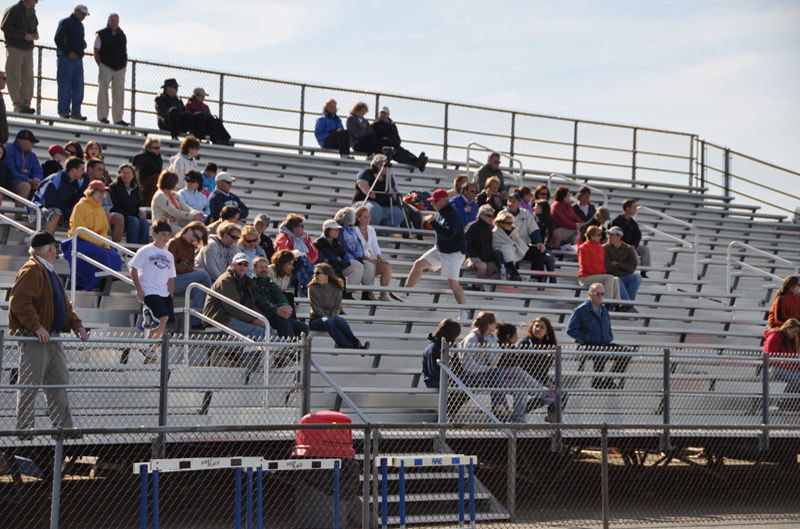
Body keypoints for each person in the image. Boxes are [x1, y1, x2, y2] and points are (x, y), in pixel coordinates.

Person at [10, 231, 89, 434]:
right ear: (51, 249)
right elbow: (19, 303)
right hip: (35, 338)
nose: (57, 250)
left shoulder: (47, 270)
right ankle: (25, 431)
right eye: (55, 247)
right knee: (30, 385)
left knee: (59, 383)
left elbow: (62, 305)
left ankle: (64, 429)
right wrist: (37, 327)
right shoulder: (32, 270)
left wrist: (77, 324)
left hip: (51, 337)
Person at [458, 312, 549, 423]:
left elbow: (494, 360)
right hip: (476, 376)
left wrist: (489, 343)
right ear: (488, 325)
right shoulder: (471, 339)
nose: (496, 326)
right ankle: (541, 394)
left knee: (519, 384)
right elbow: (468, 365)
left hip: (493, 376)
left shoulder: (490, 338)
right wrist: (489, 369)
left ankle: (518, 417)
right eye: (494, 323)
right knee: (509, 371)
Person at [400, 189, 467, 316]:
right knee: (419, 264)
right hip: (441, 249)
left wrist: (433, 223)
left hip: (453, 253)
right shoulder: (441, 212)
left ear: (443, 201)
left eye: (435, 201)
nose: (433, 204)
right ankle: (405, 293)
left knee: (453, 284)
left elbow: (449, 234)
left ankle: (464, 311)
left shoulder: (452, 215)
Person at [203, 253, 270, 365]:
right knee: (259, 332)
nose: (242, 267)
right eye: (240, 264)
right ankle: (286, 348)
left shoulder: (244, 281)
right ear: (233, 265)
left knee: (268, 329)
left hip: (231, 315)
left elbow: (250, 304)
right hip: (219, 317)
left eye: (245, 264)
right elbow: (233, 307)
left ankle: (237, 355)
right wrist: (254, 320)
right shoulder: (226, 280)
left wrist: (261, 318)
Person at [62, 179, 123, 291]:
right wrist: (99, 242)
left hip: (97, 242)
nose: (102, 195)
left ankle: (105, 285)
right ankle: (93, 284)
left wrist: (104, 243)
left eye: (103, 192)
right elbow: (80, 229)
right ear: (91, 192)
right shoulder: (80, 207)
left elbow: (104, 230)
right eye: (100, 192)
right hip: (80, 241)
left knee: (115, 256)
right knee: (101, 254)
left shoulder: (100, 209)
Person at [566, 283, 629, 389]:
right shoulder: (581, 310)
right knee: (601, 352)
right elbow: (570, 329)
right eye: (597, 294)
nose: (600, 296)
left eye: (602, 294)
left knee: (626, 352)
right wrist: (587, 339)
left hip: (603, 344)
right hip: (587, 345)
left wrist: (609, 337)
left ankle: (609, 380)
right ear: (590, 295)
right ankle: (597, 380)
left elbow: (608, 328)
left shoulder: (604, 310)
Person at [130, 218, 175, 348]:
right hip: (149, 290)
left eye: (168, 235)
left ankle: (150, 348)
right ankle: (149, 346)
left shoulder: (169, 255)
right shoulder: (146, 250)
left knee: (164, 322)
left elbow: (171, 278)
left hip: (164, 293)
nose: (166, 237)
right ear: (155, 234)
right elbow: (133, 269)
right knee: (163, 318)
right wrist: (139, 289)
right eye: (163, 234)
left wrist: (170, 296)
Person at [513, 317, 568, 420]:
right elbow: (528, 367)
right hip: (526, 378)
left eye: (542, 327)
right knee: (548, 392)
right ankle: (522, 410)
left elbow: (544, 369)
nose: (538, 329)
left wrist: (545, 379)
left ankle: (552, 417)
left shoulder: (547, 346)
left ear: (547, 331)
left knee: (562, 392)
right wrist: (546, 380)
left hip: (540, 378)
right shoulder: (525, 342)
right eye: (536, 326)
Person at [308, 262, 369, 349]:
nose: (315, 275)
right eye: (314, 273)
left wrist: (332, 317)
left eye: (317, 273)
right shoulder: (312, 288)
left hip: (331, 319)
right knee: (327, 321)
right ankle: (346, 345)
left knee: (339, 320)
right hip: (317, 320)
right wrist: (328, 318)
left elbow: (337, 307)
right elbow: (315, 309)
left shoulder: (337, 288)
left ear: (326, 275)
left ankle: (356, 343)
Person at [166, 221, 212, 330]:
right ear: (188, 229)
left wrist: (192, 270)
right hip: (169, 281)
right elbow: (171, 268)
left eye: (198, 238)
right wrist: (193, 269)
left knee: (200, 289)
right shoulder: (173, 242)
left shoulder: (191, 247)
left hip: (182, 282)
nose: (194, 239)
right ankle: (213, 309)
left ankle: (196, 323)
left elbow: (188, 270)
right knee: (204, 275)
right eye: (195, 235)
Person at [253, 256, 309, 340]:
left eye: (265, 267)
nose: (264, 269)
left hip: (275, 315)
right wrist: (277, 310)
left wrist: (287, 308)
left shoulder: (271, 284)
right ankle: (289, 350)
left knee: (304, 328)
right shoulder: (252, 285)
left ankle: (296, 350)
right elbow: (261, 303)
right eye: (261, 267)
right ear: (254, 270)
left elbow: (282, 298)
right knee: (282, 318)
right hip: (263, 316)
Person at [33, 156, 86, 234]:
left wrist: (86, 182)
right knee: (55, 213)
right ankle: (47, 243)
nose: (84, 172)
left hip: (60, 211)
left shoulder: (77, 183)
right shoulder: (56, 179)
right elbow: (49, 203)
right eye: (82, 169)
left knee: (84, 217)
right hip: (37, 209)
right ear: (74, 170)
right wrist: (69, 212)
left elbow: (77, 202)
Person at [2, 0, 39, 114]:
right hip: (15, 47)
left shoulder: (32, 12)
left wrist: (34, 34)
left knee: (28, 77)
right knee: (14, 76)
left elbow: (34, 26)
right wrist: (23, 35)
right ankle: (18, 104)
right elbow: (5, 27)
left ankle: (26, 104)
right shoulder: (13, 10)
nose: (37, 1)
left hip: (28, 48)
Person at [54, 5, 89, 120]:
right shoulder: (66, 22)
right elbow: (58, 38)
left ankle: (76, 112)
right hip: (66, 58)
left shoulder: (80, 26)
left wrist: (82, 44)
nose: (83, 16)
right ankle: (64, 111)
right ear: (75, 11)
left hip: (78, 59)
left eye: (85, 14)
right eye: (82, 13)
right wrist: (68, 52)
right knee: (65, 85)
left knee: (79, 86)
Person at [353, 154, 404, 229]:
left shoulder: (388, 178)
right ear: (375, 165)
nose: (385, 167)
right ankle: (367, 232)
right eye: (382, 165)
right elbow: (362, 184)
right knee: (376, 209)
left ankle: (380, 235)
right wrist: (374, 196)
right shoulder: (366, 172)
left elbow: (393, 193)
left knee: (399, 214)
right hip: (363, 202)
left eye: (386, 165)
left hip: (380, 206)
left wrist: (392, 198)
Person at [93, 13, 127, 125]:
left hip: (120, 67)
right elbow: (96, 50)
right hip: (106, 65)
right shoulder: (101, 34)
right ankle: (102, 116)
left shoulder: (122, 35)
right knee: (103, 91)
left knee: (119, 93)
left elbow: (124, 52)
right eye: (112, 20)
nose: (114, 23)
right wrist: (100, 64)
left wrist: (124, 65)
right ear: (108, 22)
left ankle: (117, 118)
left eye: (116, 21)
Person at [334, 207, 375, 298]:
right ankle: (348, 292)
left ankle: (366, 293)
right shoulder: (339, 230)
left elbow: (358, 244)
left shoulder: (352, 229)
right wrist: (356, 257)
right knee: (358, 266)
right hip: (345, 258)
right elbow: (344, 247)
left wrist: (360, 256)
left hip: (354, 257)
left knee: (369, 266)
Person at [354, 206, 393, 301]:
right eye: (365, 217)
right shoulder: (353, 230)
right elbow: (355, 248)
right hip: (357, 257)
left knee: (386, 266)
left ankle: (383, 295)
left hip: (367, 257)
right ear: (358, 218)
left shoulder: (371, 230)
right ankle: (369, 293)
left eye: (369, 216)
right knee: (372, 265)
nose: (368, 219)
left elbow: (375, 246)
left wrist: (379, 256)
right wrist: (364, 256)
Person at [371, 106, 428, 171]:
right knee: (398, 154)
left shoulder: (392, 125)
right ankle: (417, 163)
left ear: (388, 114)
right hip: (384, 147)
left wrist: (395, 142)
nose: (382, 115)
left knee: (404, 151)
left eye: (384, 113)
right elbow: (375, 139)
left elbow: (397, 138)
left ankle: (417, 160)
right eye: (381, 113)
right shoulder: (375, 125)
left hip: (393, 145)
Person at [274, 213, 318, 296]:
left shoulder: (305, 237)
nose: (304, 228)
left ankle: (311, 289)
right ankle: (306, 291)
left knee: (308, 263)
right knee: (302, 260)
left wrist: (303, 255)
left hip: (304, 265)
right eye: (301, 225)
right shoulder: (282, 238)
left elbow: (315, 254)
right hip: (287, 266)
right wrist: (299, 255)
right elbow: (284, 256)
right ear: (294, 227)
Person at [502, 191, 547, 272]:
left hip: (524, 246)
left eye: (513, 201)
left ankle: (536, 278)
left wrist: (539, 242)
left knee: (539, 250)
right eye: (509, 201)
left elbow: (533, 229)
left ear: (519, 203)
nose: (511, 203)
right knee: (512, 251)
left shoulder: (525, 213)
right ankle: (515, 277)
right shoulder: (502, 214)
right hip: (510, 246)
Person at [763, 318, 800, 412]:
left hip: (785, 367)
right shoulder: (775, 337)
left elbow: (792, 357)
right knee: (797, 378)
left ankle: (789, 403)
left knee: (797, 377)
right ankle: (783, 402)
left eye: (797, 332)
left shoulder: (789, 339)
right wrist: (792, 368)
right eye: (794, 331)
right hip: (772, 367)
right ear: (787, 328)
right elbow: (771, 357)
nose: (795, 334)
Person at [108, 162, 149, 245]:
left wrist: (141, 214)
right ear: (119, 174)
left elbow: (140, 205)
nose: (126, 175)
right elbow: (114, 207)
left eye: (128, 173)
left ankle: (143, 248)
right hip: (122, 218)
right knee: (133, 220)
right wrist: (129, 215)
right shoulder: (113, 187)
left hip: (133, 217)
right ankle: (131, 249)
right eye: (124, 173)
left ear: (133, 175)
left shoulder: (137, 188)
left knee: (144, 222)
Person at [577, 225, 621, 301]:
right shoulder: (583, 247)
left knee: (615, 279)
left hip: (597, 275)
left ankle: (617, 304)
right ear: (592, 236)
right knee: (609, 277)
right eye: (598, 235)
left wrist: (602, 274)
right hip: (586, 277)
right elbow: (586, 266)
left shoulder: (600, 248)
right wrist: (600, 274)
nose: (600, 237)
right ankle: (607, 301)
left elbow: (602, 265)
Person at [86, 157, 124, 243]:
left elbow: (108, 204)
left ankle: (114, 250)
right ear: (90, 169)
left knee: (119, 217)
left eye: (102, 170)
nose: (102, 172)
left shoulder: (102, 183)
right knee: (105, 214)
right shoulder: (81, 181)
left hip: (102, 210)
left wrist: (101, 210)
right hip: (86, 210)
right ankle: (100, 244)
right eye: (99, 169)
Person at [604, 226, 642, 310]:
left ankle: (627, 306)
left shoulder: (628, 249)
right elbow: (606, 267)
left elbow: (632, 268)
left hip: (624, 276)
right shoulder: (604, 248)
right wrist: (624, 267)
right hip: (611, 277)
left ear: (619, 236)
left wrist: (617, 264)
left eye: (612, 235)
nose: (609, 237)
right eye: (608, 235)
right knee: (617, 280)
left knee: (637, 277)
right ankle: (628, 307)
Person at [611, 199, 651, 276]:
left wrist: (634, 245)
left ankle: (643, 272)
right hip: (621, 247)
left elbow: (638, 235)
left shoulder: (632, 222)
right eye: (634, 207)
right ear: (627, 208)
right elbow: (615, 236)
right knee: (633, 253)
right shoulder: (617, 221)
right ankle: (631, 271)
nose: (635, 209)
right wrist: (626, 246)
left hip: (631, 246)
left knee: (645, 249)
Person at [421, 318, 462, 389]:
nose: (456, 338)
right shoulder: (433, 348)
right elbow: (434, 372)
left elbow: (457, 366)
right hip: (434, 380)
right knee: (458, 388)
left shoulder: (450, 347)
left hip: (449, 379)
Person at [464, 205, 499, 286]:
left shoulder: (489, 229)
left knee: (504, 272)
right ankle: (480, 288)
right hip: (471, 258)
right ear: (481, 216)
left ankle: (480, 283)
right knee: (482, 266)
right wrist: (475, 254)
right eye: (489, 216)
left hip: (487, 259)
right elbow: (465, 244)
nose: (492, 218)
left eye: (493, 216)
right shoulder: (472, 226)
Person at [5, 129, 42, 205]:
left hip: (27, 182)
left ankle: (37, 215)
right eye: (31, 142)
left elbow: (38, 170)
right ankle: (18, 216)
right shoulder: (9, 151)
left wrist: (36, 179)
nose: (33, 144)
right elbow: (11, 172)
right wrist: (28, 180)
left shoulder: (32, 155)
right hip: (9, 182)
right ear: (24, 142)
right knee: (25, 186)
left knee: (43, 186)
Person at [491, 211, 527, 282]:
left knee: (507, 249)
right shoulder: (495, 232)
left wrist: (512, 243)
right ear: (501, 223)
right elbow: (494, 244)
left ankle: (512, 273)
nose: (510, 225)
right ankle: (512, 272)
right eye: (508, 223)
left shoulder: (514, 232)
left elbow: (517, 244)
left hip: (512, 252)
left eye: (511, 222)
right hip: (499, 253)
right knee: (498, 251)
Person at [314, 217, 351, 282]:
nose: (337, 231)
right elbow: (320, 261)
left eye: (337, 229)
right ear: (327, 230)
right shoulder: (318, 244)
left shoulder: (339, 245)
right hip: (324, 276)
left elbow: (347, 262)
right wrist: (337, 260)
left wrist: (331, 261)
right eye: (334, 229)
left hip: (337, 275)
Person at [132, 136, 163, 207]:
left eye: (158, 148)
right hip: (143, 183)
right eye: (155, 148)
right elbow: (137, 173)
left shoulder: (158, 158)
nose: (158, 150)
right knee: (157, 178)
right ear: (148, 148)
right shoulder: (141, 158)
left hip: (154, 182)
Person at [532, 200, 557, 281]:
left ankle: (552, 279)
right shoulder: (532, 219)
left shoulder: (549, 221)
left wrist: (544, 245)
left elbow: (548, 234)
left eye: (536, 206)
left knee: (548, 258)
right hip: (533, 247)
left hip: (544, 247)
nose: (533, 208)